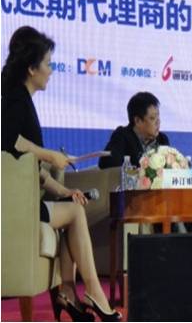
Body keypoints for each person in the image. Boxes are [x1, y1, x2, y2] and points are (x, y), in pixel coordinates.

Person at [1, 26, 121, 321]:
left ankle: (68, 293)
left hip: (24, 200)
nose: (52, 70)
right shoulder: (15, 100)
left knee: (73, 204)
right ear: (32, 68)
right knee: (75, 213)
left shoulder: (22, 100)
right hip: (14, 208)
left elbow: (30, 170)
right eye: (48, 63)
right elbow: (6, 141)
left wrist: (65, 190)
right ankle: (93, 291)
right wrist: (48, 154)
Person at [98, 92, 169, 169]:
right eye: (152, 118)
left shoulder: (162, 139)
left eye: (158, 117)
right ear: (137, 121)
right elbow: (106, 164)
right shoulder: (122, 136)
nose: (158, 122)